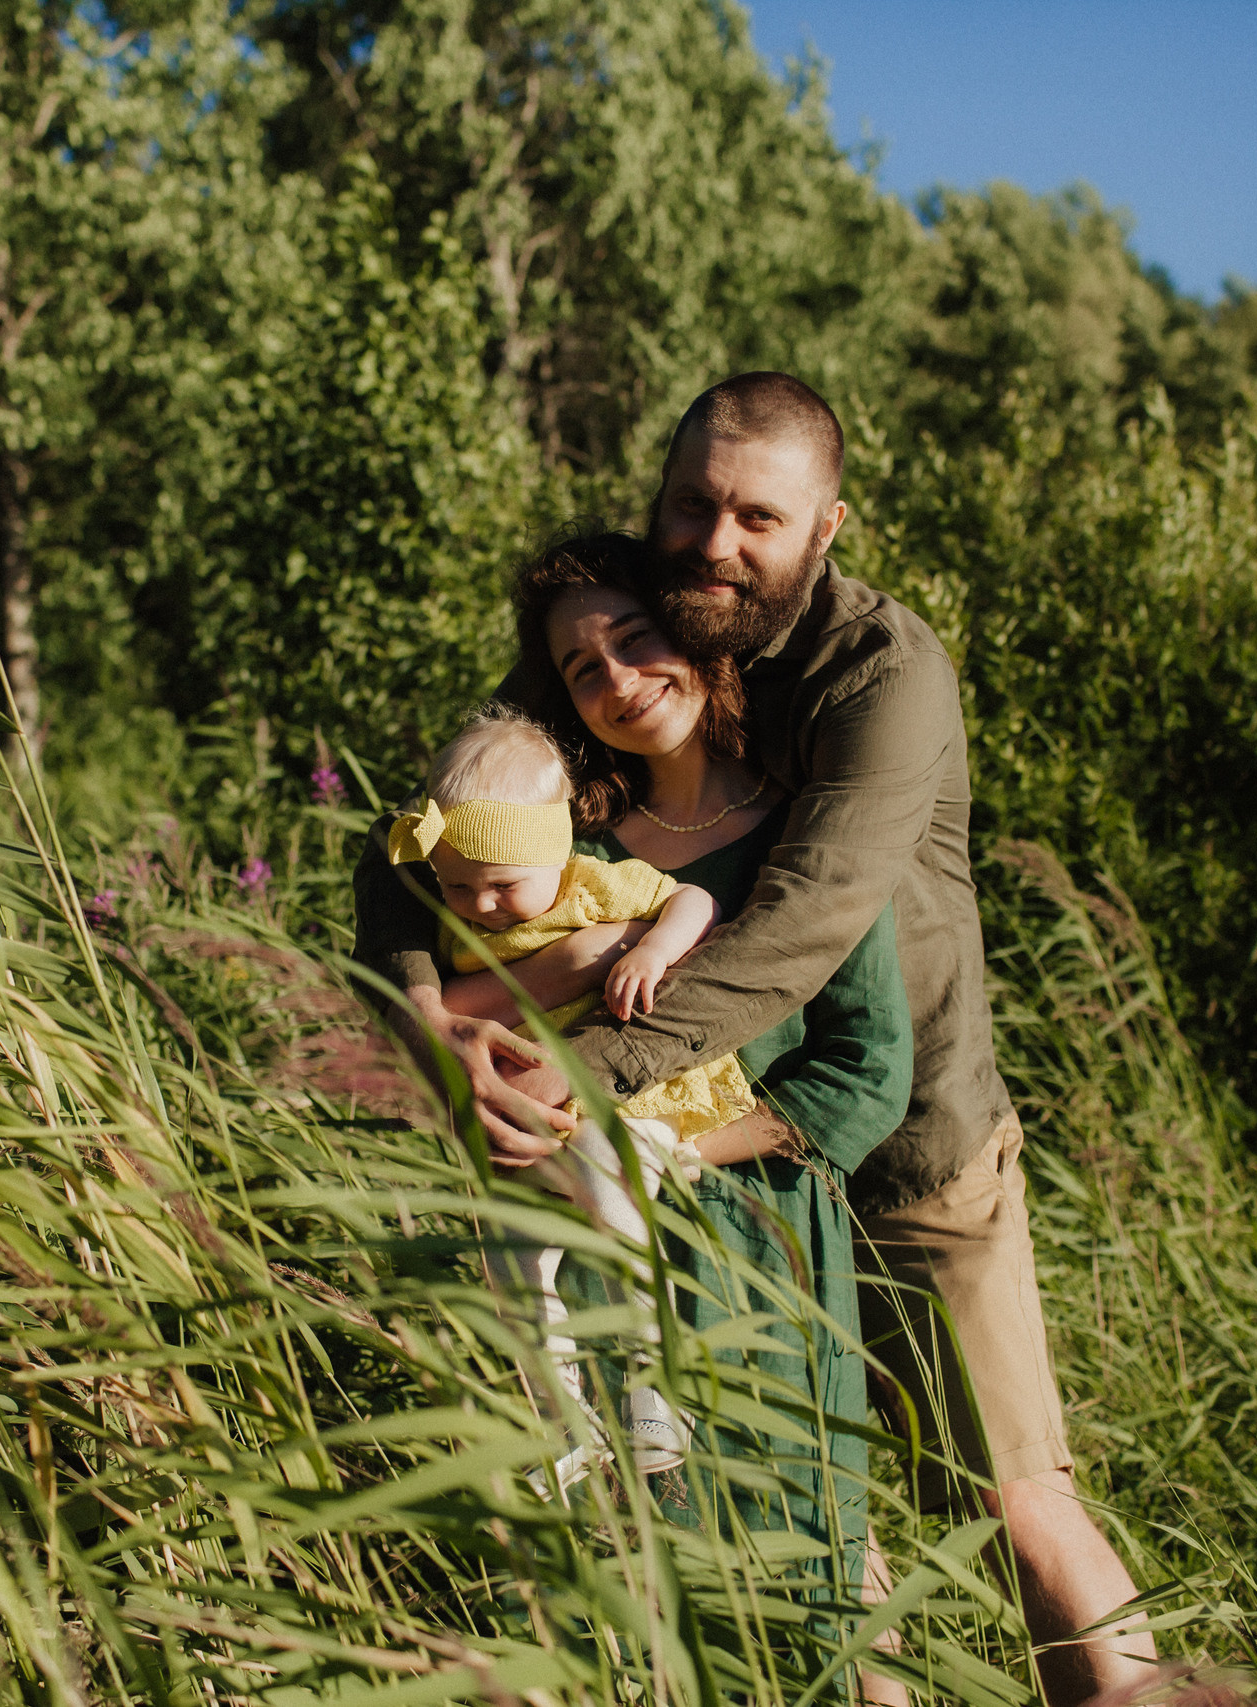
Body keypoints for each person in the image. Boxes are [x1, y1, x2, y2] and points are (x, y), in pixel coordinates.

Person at [354, 374, 1159, 1705]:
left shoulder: (879, 676)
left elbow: (802, 929)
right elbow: (426, 832)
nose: (716, 543)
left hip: (905, 1150)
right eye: (691, 505)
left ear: (824, 529)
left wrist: (591, 1083)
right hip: (725, 1191)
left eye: (756, 518)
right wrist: (433, 1028)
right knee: (817, 1531)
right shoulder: (635, 630)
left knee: (1011, 1500)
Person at [439, 529, 910, 1699]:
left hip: (758, 1256)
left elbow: (864, 1070)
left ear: (697, 642)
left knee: (817, 1565)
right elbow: (441, 1012)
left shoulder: (812, 834)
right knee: (648, 1598)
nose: (612, 677)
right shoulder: (555, 850)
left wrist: (675, 1152)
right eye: (580, 665)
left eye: (632, 638)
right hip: (595, 1267)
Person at [392, 702, 756, 1478]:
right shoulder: (459, 927)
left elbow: (694, 901)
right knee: (514, 1262)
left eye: (502, 884)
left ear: (554, 856)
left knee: (615, 1208)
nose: (482, 904)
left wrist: (653, 946)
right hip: (530, 1123)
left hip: (623, 1100)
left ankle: (655, 1388)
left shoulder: (596, 887)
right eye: (459, 886)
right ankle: (562, 1417)